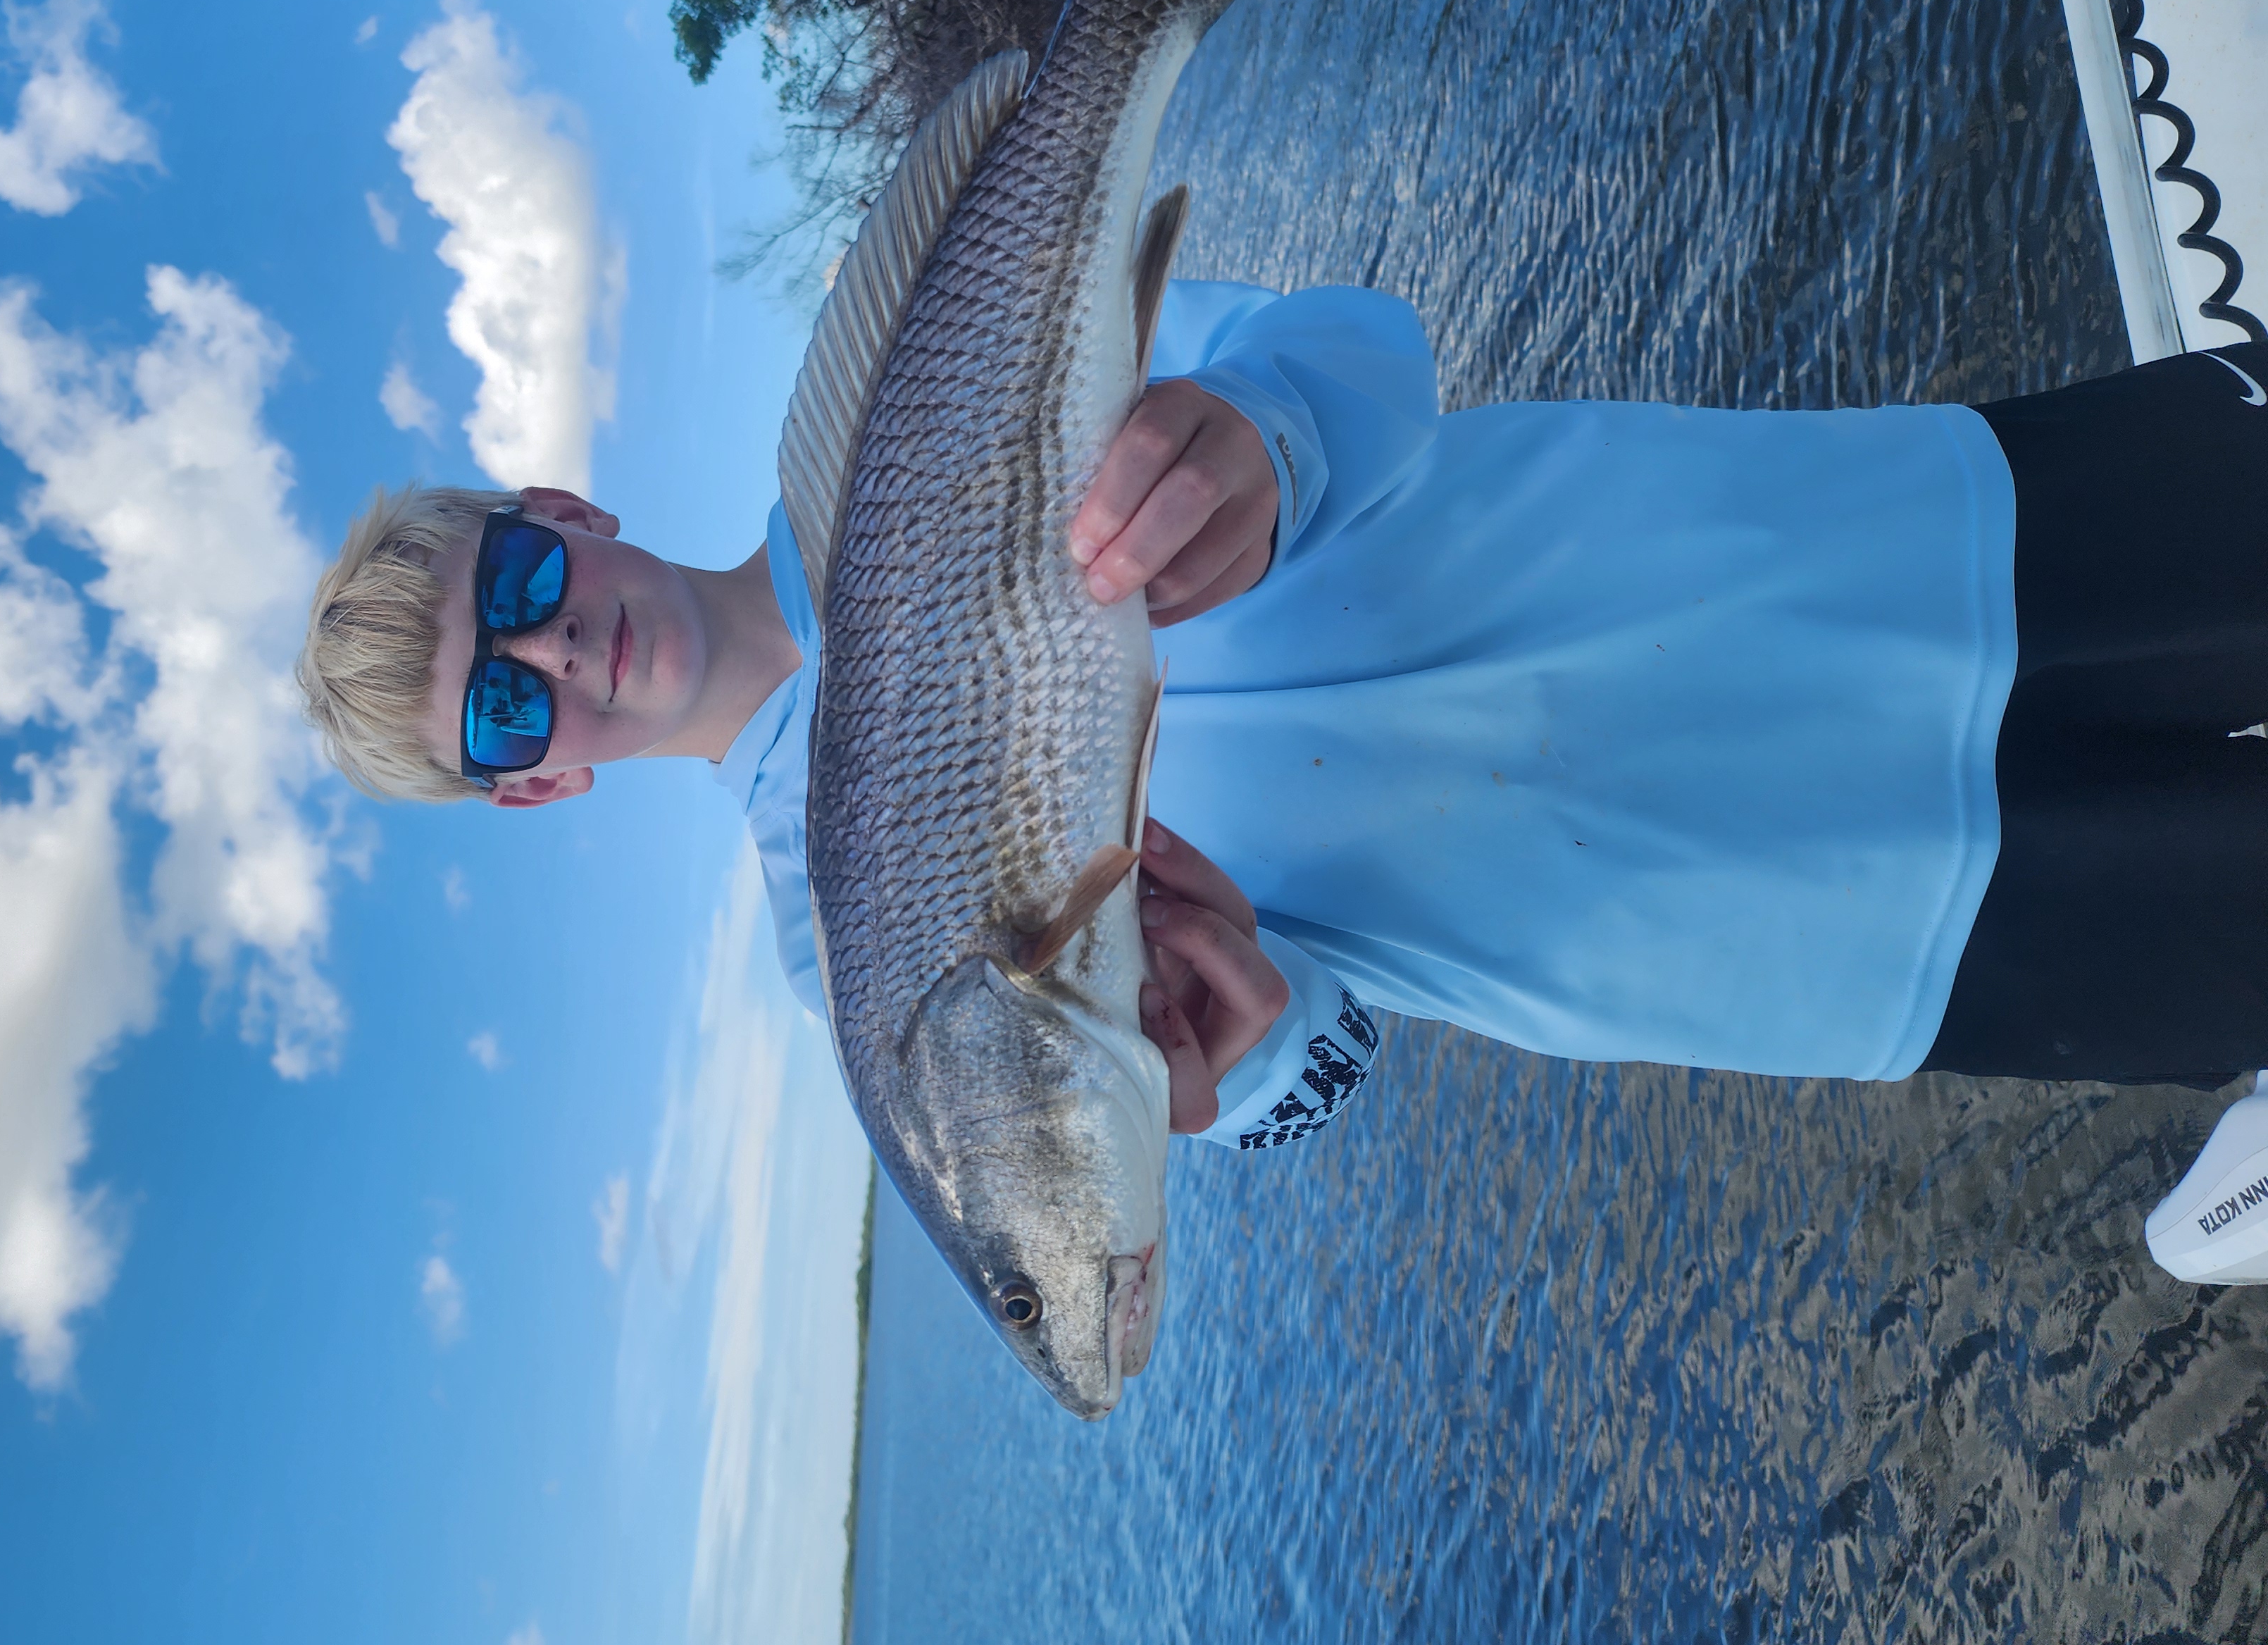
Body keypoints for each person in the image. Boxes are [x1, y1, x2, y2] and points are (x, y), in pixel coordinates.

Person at [295, 275, 2268, 1167]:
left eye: (518, 588)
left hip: (1872, 545)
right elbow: (1301, 1079)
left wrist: (1269, 429)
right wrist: (1240, 1045)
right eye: (501, 705)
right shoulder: (852, 952)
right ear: (532, 787)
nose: (555, 655)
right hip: (1826, 931)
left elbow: (1358, 346)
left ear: (561, 511)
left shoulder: (912, 408)